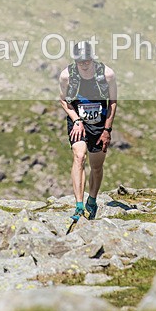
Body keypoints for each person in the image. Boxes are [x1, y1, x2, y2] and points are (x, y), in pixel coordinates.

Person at [59, 40, 117, 222]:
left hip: (100, 124)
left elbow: (113, 102)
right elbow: (64, 100)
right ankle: (78, 205)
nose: (84, 64)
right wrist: (76, 120)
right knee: (79, 156)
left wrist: (107, 129)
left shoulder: (107, 74)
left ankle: (92, 200)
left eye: (87, 60)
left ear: (92, 58)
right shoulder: (66, 76)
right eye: (80, 61)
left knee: (96, 166)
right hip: (78, 122)